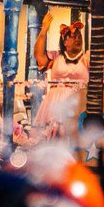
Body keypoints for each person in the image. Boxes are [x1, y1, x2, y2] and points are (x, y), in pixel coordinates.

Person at [32, 10, 90, 139]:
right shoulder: (56, 56)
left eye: (79, 37)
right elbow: (39, 56)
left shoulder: (87, 58)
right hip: (54, 105)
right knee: (52, 138)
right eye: (74, 36)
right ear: (65, 42)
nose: (78, 39)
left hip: (78, 104)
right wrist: (44, 30)